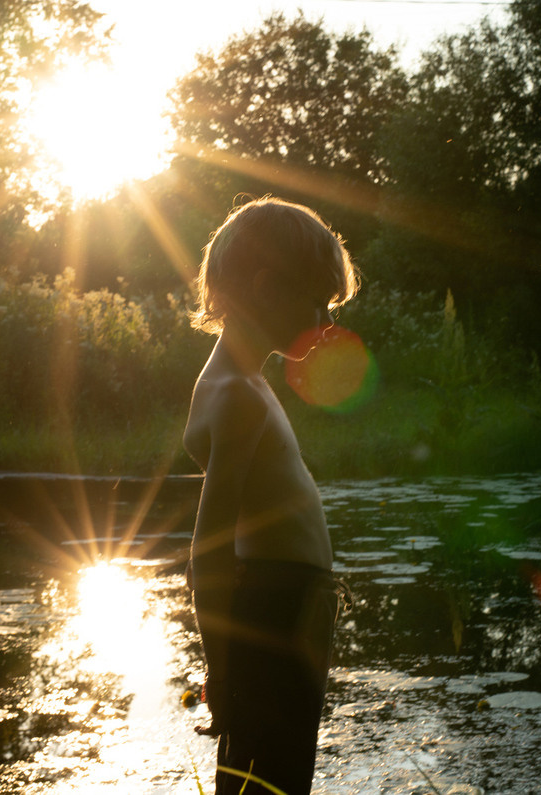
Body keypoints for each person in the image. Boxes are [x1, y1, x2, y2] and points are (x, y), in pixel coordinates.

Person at [183, 196, 359, 794]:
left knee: (265, 776)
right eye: (317, 302)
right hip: (273, 613)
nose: (325, 321)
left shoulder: (240, 382)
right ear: (264, 286)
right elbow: (207, 552)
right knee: (270, 781)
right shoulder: (237, 394)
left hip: (287, 606)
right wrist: (222, 671)